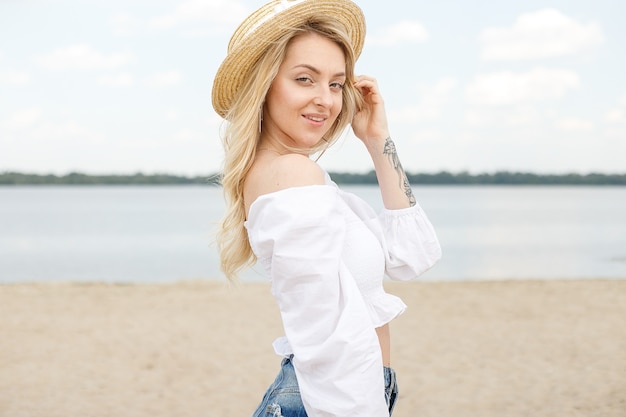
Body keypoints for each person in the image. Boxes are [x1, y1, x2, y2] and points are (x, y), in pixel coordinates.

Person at [212, 0, 442, 415]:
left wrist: (377, 141)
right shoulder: (293, 176)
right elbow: (327, 335)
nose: (326, 100)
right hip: (331, 399)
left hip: (351, 389)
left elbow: (412, 256)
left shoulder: (295, 177)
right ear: (263, 86)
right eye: (305, 79)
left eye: (336, 84)